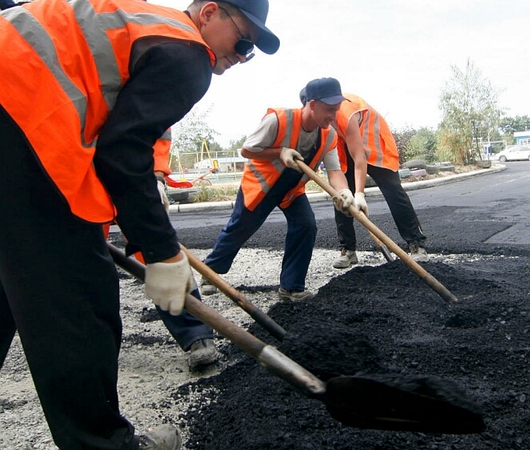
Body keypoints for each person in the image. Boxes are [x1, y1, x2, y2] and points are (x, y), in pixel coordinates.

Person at [0, 0, 279, 448]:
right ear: (209, 13)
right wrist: (164, 254)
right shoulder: (187, 52)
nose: (242, 56)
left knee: (10, 280)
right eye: (243, 40)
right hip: (19, 113)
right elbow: (123, 153)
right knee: (80, 298)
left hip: (13, 107)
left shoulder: (146, 26)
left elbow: (112, 145)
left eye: (251, 52)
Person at [200, 78, 353, 301]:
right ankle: (210, 272)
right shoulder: (278, 120)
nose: (333, 116)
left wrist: (344, 192)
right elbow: (247, 150)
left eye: (336, 110)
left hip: (292, 187)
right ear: (311, 104)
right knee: (241, 227)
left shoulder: (328, 134)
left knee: (306, 225)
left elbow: (334, 171)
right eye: (329, 109)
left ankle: (291, 288)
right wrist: (279, 151)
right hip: (263, 184)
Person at [104, 128, 219, 372]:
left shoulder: (135, 90)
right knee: (83, 264)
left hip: (130, 173)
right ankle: (92, 347)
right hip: (70, 177)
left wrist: (154, 177)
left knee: (161, 255)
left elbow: (156, 129)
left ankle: (196, 333)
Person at [331, 93, 429, 269]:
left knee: (393, 191)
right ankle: (348, 250)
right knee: (341, 196)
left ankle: (416, 244)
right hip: (345, 146)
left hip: (375, 145)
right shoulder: (316, 118)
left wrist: (360, 194)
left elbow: (360, 157)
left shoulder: (345, 112)